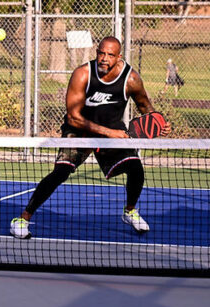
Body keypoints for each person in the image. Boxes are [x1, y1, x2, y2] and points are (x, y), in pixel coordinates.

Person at [10, 36, 171, 239]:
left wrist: (158, 122)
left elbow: (145, 106)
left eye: (110, 55)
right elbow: (73, 117)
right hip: (79, 131)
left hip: (112, 131)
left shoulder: (131, 79)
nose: (104, 58)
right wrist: (110, 133)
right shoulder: (82, 74)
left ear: (118, 57)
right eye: (101, 53)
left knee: (135, 168)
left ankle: (129, 211)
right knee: (61, 172)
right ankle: (22, 219)